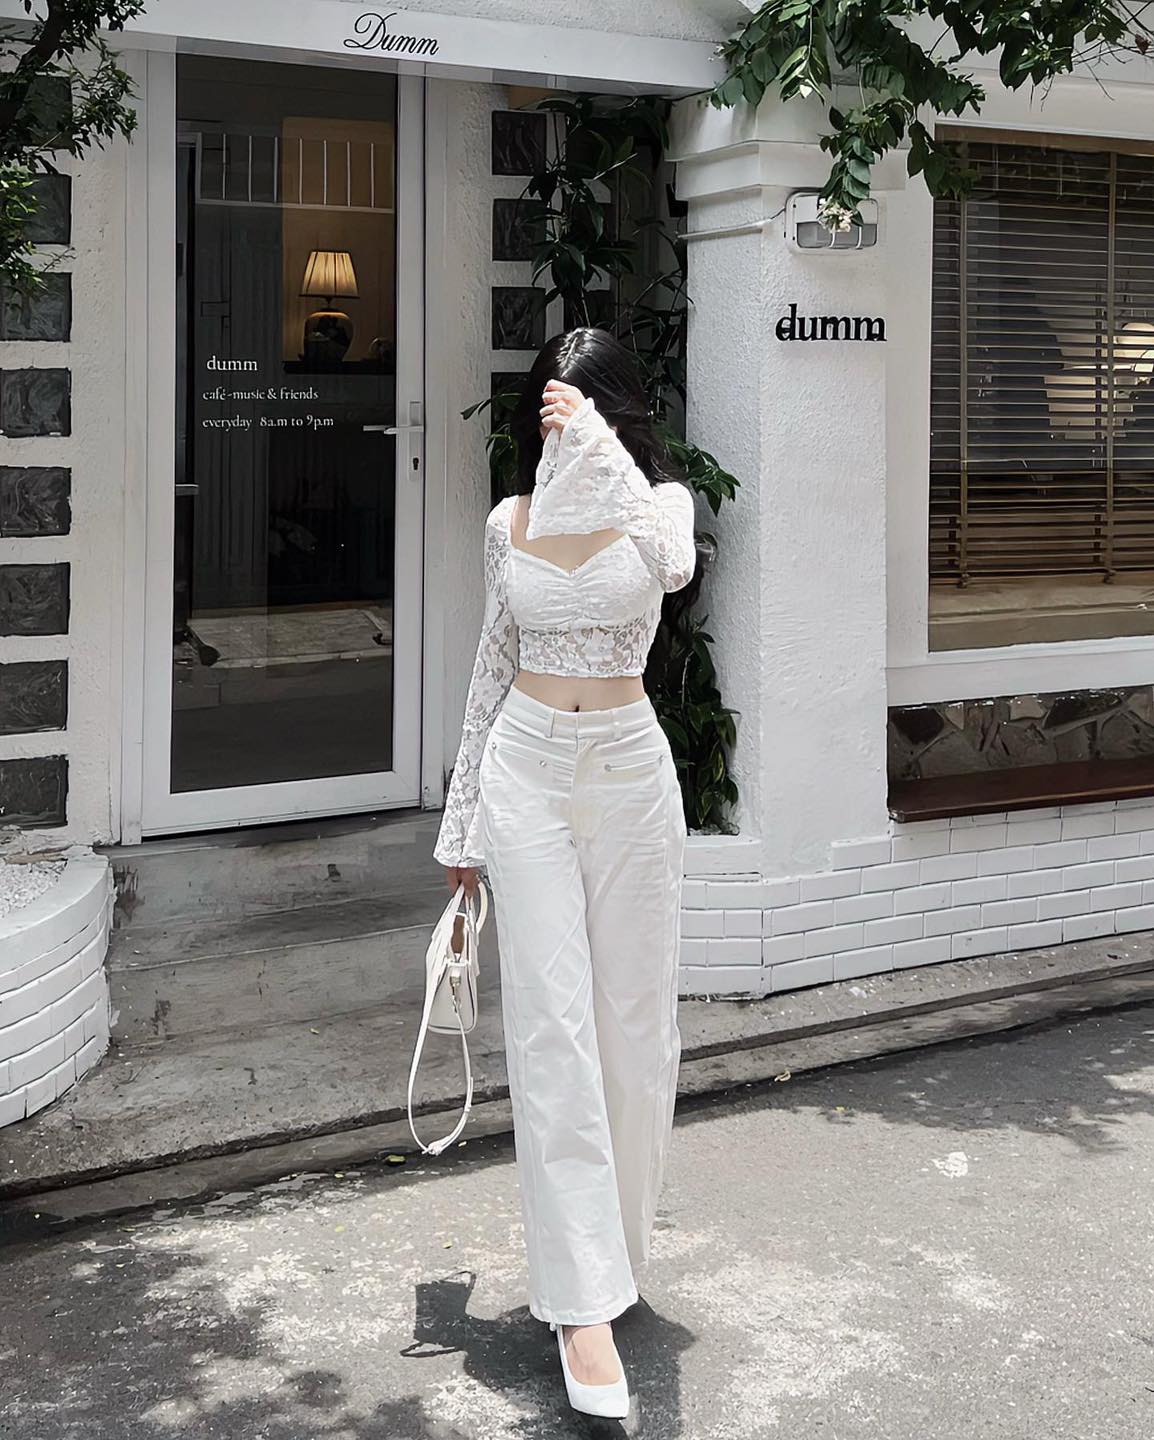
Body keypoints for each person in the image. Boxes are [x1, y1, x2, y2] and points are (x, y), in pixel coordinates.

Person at [433, 327, 697, 1419]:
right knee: (551, 1028)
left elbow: (671, 567)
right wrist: (460, 828)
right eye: (550, 408)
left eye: (575, 408)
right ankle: (579, 1305)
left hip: (630, 772)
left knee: (632, 1025)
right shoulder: (512, 524)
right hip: (528, 772)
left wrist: (600, 451)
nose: (560, 425)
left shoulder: (661, 505)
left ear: (612, 412)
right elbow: (494, 660)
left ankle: (615, 1253)